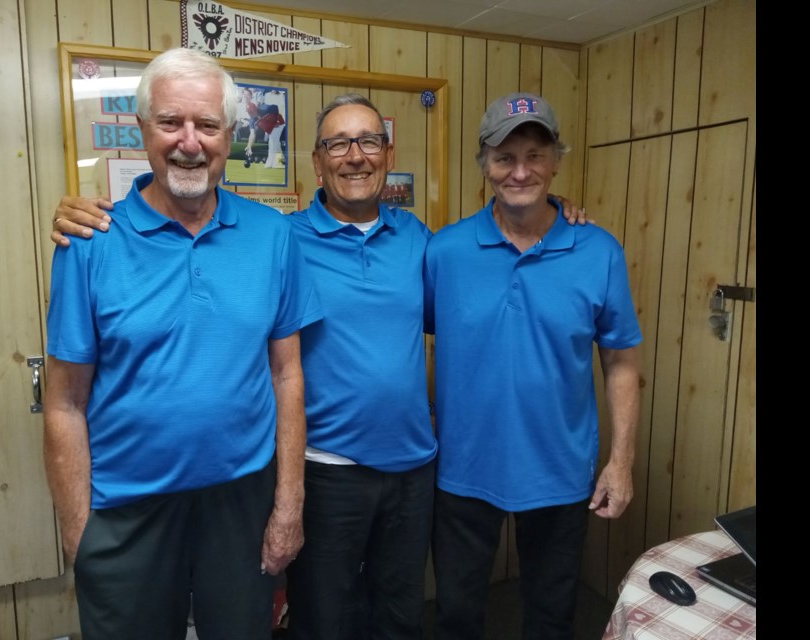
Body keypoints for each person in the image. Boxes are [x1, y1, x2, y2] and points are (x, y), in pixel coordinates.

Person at [52, 93, 590, 640]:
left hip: (413, 469)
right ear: (317, 160)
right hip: (325, 469)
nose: (355, 155)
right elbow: (200, 213)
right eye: (338, 143)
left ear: (386, 152)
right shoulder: (280, 238)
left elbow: (478, 280)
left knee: (400, 617)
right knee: (323, 620)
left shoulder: (419, 241)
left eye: (369, 141)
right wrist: (85, 211)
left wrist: (552, 208)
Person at [42, 47, 323, 640]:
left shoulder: (273, 235)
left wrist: (288, 505)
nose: (189, 141)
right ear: (143, 128)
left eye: (207, 125)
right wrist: (79, 531)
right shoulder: (90, 243)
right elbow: (64, 402)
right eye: (171, 122)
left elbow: (288, 375)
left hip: (241, 500)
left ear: (230, 134)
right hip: (127, 507)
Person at [424, 92, 643, 640]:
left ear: (556, 162)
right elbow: (420, 335)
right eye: (505, 157)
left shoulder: (599, 250)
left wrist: (621, 461)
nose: (520, 171)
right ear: (485, 164)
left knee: (551, 615)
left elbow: (619, 359)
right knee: (456, 614)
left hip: (559, 469)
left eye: (535, 155)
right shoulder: (445, 252)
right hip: (462, 467)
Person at [243, 87, 287, 168]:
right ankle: (276, 163)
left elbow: (275, 107)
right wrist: (249, 146)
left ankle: (276, 163)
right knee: (273, 143)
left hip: (278, 123)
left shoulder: (264, 108)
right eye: (249, 113)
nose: (251, 114)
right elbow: (252, 134)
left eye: (252, 112)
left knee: (274, 142)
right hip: (270, 128)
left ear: (255, 110)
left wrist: (276, 120)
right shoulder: (252, 119)